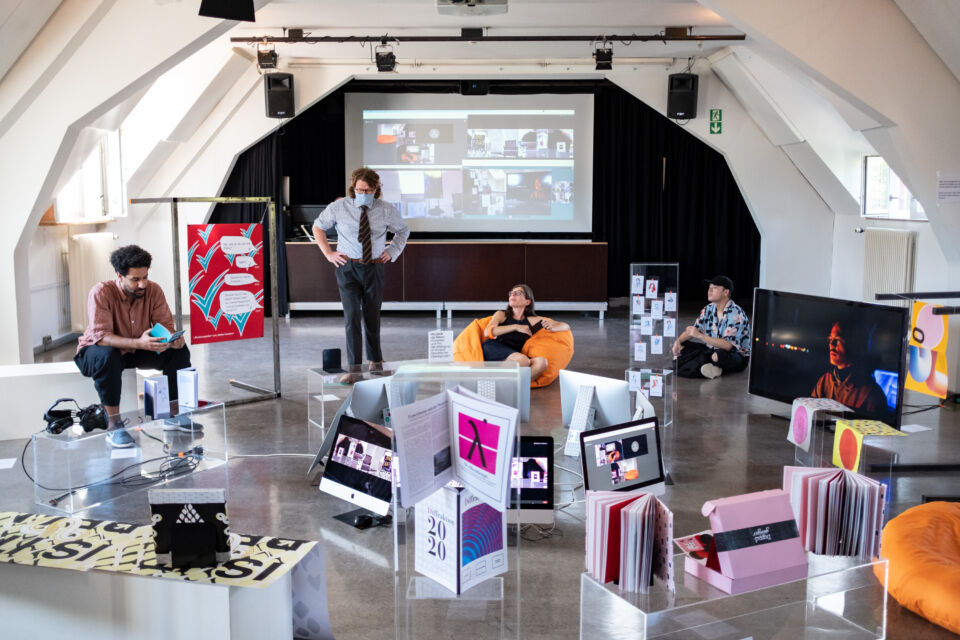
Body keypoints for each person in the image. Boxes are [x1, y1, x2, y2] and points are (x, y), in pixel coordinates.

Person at [74, 245, 192, 447]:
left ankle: (173, 415)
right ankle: (114, 425)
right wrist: (139, 343)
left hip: (137, 349)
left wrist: (172, 339)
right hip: (97, 351)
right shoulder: (101, 292)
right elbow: (101, 337)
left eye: (145, 277)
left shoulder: (153, 290)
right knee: (108, 356)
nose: (142, 284)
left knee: (178, 351)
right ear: (119, 276)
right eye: (135, 279)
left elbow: (165, 326)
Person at [313, 168, 410, 369]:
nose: (363, 194)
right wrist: (328, 253)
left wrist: (392, 251)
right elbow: (318, 226)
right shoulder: (339, 207)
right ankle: (354, 367)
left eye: (367, 191)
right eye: (359, 190)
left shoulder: (386, 209)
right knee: (352, 317)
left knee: (372, 315)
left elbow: (403, 230)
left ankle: (375, 360)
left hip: (374, 267)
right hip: (347, 267)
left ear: (375, 189)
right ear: (353, 188)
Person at [482, 284, 570, 382]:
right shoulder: (501, 314)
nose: (512, 294)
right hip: (494, 348)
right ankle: (497, 381)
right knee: (523, 361)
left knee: (542, 362)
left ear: (527, 302)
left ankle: (514, 384)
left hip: (516, 355)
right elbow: (487, 332)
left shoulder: (533, 320)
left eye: (518, 293)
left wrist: (553, 328)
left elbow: (565, 325)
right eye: (511, 293)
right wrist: (515, 327)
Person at [672, 275, 751, 379]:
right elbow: (692, 331)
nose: (709, 291)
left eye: (715, 288)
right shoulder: (708, 309)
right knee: (684, 345)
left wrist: (700, 336)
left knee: (719, 355)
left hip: (735, 355)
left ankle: (708, 365)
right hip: (712, 350)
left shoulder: (735, 314)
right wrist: (678, 341)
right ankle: (710, 367)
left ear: (726, 292)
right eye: (709, 288)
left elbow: (728, 345)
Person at [811, 321, 889, 413]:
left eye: (838, 340)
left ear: (854, 344)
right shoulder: (824, 382)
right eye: (830, 339)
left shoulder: (872, 395)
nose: (831, 344)